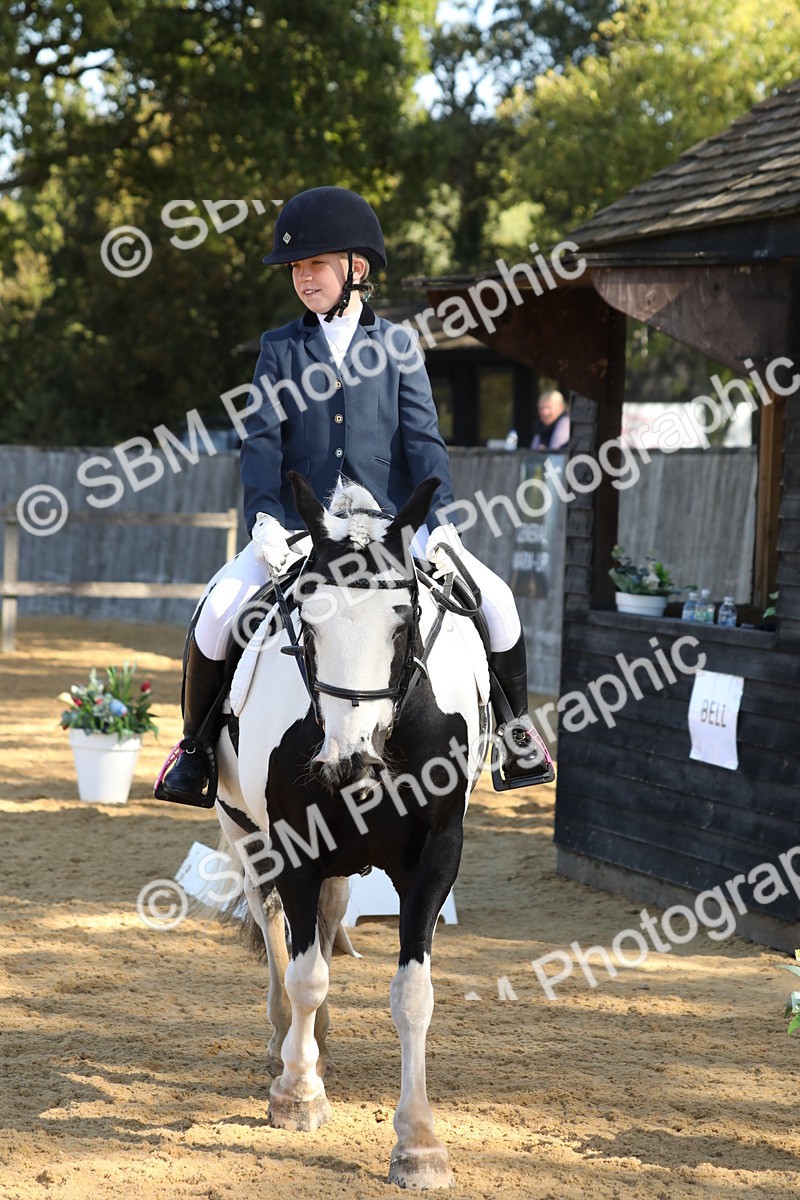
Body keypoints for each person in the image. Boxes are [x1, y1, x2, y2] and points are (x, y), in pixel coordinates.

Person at [155, 186, 553, 806]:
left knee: (497, 602)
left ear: (355, 269)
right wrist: (263, 516)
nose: (303, 278)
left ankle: (514, 731)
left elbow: (425, 442)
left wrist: (439, 522)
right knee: (217, 616)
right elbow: (260, 442)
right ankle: (196, 748)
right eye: (295, 268)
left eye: (315, 264)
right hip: (297, 528)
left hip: (394, 528)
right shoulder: (280, 348)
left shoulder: (398, 347)